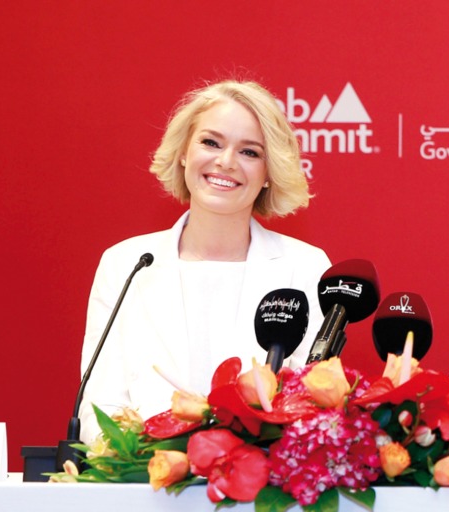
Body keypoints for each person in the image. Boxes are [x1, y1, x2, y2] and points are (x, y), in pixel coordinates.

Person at [78, 80, 330, 442]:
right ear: (184, 152)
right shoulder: (126, 264)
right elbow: (100, 408)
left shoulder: (305, 268)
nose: (225, 162)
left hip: (258, 488)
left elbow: (311, 406)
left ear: (268, 174)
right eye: (211, 143)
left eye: (250, 152)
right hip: (147, 486)